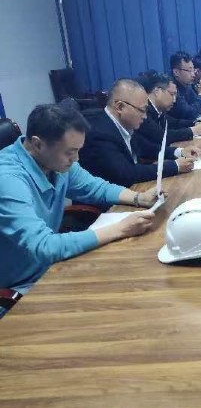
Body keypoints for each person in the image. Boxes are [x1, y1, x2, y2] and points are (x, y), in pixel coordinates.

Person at [0, 104, 160, 297]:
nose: (75, 159)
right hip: (20, 285)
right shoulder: (8, 179)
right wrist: (121, 229)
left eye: (78, 151)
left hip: (51, 267)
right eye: (70, 152)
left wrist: (139, 197)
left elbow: (95, 187)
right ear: (38, 144)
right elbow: (44, 246)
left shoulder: (52, 161)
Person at [79, 79, 196, 187]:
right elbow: (126, 173)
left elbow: (146, 147)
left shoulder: (123, 124)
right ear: (120, 107)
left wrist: (179, 152)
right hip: (113, 199)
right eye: (142, 110)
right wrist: (174, 166)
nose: (145, 116)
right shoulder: (99, 134)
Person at [136, 70, 201, 143]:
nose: (174, 100)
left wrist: (194, 123)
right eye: (172, 94)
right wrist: (194, 131)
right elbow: (160, 136)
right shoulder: (144, 110)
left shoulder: (159, 109)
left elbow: (174, 122)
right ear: (157, 91)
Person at [168, 51, 201, 120]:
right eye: (189, 71)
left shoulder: (187, 85)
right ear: (176, 72)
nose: (193, 75)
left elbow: (200, 106)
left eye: (193, 70)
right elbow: (190, 114)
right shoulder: (171, 88)